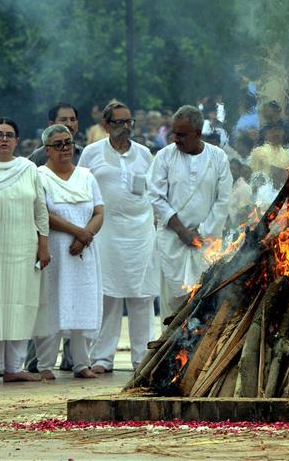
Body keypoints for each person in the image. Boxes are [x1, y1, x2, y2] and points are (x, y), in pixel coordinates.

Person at [79, 102, 159, 374]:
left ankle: (142, 358)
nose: (125, 128)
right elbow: (81, 190)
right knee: (108, 296)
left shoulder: (145, 154)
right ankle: (102, 358)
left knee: (142, 296)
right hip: (106, 231)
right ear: (106, 125)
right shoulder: (91, 154)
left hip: (140, 232)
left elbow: (154, 190)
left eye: (129, 122)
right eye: (119, 122)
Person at [0, 118, 50, 382]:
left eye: (9, 135)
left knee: (21, 303)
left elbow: (40, 210)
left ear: (17, 141)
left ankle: (14, 367)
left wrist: (43, 244)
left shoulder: (28, 168)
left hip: (23, 247)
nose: (4, 139)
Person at [32, 124, 104, 379]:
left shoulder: (86, 175)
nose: (65, 148)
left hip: (83, 251)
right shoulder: (40, 175)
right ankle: (45, 365)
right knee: (52, 303)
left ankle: (81, 363)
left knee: (82, 302)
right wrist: (78, 232)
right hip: (55, 250)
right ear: (47, 149)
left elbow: (98, 212)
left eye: (69, 143)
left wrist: (86, 236)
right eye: (58, 144)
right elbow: (43, 214)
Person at [148, 105, 232, 320]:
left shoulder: (218, 157)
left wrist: (201, 233)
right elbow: (156, 197)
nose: (175, 139)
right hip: (172, 242)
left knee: (205, 305)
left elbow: (223, 200)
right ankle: (167, 354)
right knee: (172, 307)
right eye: (174, 133)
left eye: (182, 134)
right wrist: (181, 231)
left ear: (197, 132)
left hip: (206, 243)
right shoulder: (164, 157)